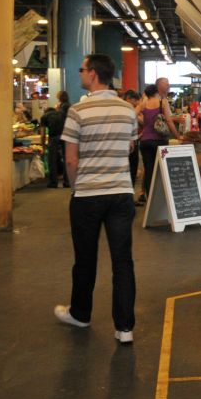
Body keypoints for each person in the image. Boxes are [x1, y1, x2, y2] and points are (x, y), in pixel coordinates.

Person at [54, 54, 138, 343]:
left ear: (92, 74)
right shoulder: (128, 110)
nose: (80, 73)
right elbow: (128, 147)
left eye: (82, 69)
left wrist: (78, 188)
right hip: (120, 193)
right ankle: (125, 327)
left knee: (85, 259)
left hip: (88, 194)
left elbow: (71, 160)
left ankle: (81, 314)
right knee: (122, 261)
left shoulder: (77, 111)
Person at [136, 84, 176, 205]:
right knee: (161, 170)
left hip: (145, 142)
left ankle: (150, 198)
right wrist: (177, 135)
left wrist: (142, 127)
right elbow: (169, 121)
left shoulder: (143, 104)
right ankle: (162, 199)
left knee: (148, 170)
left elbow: (132, 115)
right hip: (160, 141)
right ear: (156, 92)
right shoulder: (162, 102)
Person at [39, 91, 70, 188]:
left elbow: (43, 134)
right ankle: (67, 182)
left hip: (53, 137)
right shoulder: (61, 113)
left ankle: (53, 182)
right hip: (65, 136)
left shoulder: (44, 117)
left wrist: (43, 146)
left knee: (52, 160)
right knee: (66, 159)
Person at [123, 90, 141, 198]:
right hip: (130, 145)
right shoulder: (129, 110)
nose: (136, 103)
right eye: (135, 100)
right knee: (131, 172)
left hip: (126, 145)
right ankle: (128, 196)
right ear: (129, 98)